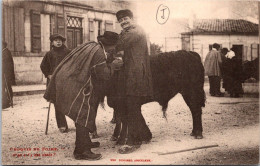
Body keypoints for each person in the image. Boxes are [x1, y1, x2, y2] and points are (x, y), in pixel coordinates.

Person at [44, 31, 123, 160]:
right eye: (114, 47)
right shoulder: (99, 53)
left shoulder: (92, 45)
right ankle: (81, 151)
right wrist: (113, 66)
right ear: (110, 45)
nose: (114, 49)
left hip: (67, 81)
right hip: (76, 84)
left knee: (81, 114)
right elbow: (103, 74)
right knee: (83, 115)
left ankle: (85, 142)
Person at [115, 9, 154, 154]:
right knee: (132, 106)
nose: (123, 22)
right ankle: (145, 134)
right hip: (130, 74)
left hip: (136, 75)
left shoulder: (136, 31)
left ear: (132, 19)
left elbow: (119, 45)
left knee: (131, 106)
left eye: (125, 19)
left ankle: (133, 141)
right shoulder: (128, 32)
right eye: (120, 21)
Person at [40, 34, 71, 133]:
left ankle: (78, 123)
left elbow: (74, 64)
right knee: (57, 103)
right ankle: (62, 125)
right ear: (52, 42)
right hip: (54, 82)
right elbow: (43, 66)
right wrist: (48, 74)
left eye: (60, 40)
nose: (58, 42)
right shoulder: (49, 54)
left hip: (67, 81)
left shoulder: (68, 52)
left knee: (71, 101)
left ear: (63, 42)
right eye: (56, 40)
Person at [2, 41, 16, 109]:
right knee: (4, 87)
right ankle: (5, 101)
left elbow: (8, 65)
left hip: (6, 74)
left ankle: (10, 100)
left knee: (7, 87)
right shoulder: (3, 52)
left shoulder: (6, 53)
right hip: (3, 73)